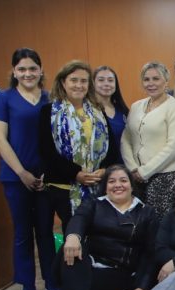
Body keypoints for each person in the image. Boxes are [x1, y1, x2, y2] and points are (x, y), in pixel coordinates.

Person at [0, 47, 57, 290]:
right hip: (15, 178)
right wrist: (22, 172)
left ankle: (52, 283)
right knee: (23, 233)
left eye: (32, 68)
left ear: (41, 70)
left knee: (46, 232)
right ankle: (28, 287)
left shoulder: (50, 98)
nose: (28, 73)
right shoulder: (4, 99)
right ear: (14, 72)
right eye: (22, 69)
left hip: (46, 178)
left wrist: (47, 172)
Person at [39, 60, 120, 232]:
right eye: (74, 80)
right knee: (74, 234)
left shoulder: (98, 111)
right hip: (64, 188)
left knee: (98, 235)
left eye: (83, 81)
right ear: (63, 82)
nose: (79, 85)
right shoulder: (49, 112)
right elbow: (46, 151)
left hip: (97, 185)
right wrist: (76, 173)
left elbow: (112, 147)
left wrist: (104, 169)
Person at [121, 61, 175, 220]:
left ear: (166, 81)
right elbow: (126, 138)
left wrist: (145, 171)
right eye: (146, 79)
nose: (151, 83)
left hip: (163, 178)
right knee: (136, 222)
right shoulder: (136, 106)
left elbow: (173, 147)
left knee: (157, 224)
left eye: (156, 79)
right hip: (135, 176)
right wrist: (133, 168)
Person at [93, 66, 129, 150]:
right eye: (101, 80)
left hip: (124, 157)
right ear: (93, 83)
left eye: (110, 80)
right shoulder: (88, 111)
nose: (106, 84)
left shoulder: (122, 110)